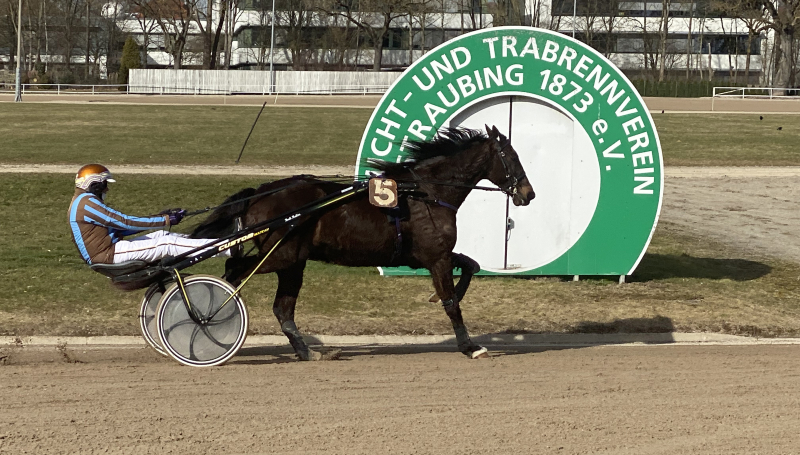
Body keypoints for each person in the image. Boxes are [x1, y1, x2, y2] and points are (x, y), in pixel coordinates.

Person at [69, 164, 231, 265]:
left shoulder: (83, 201)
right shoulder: (86, 203)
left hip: (109, 250)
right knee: (166, 244)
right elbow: (124, 222)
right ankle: (227, 247)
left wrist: (161, 218)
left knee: (163, 234)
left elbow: (122, 229)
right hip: (106, 254)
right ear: (94, 184)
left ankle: (215, 243)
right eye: (104, 185)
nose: (107, 189)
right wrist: (165, 219)